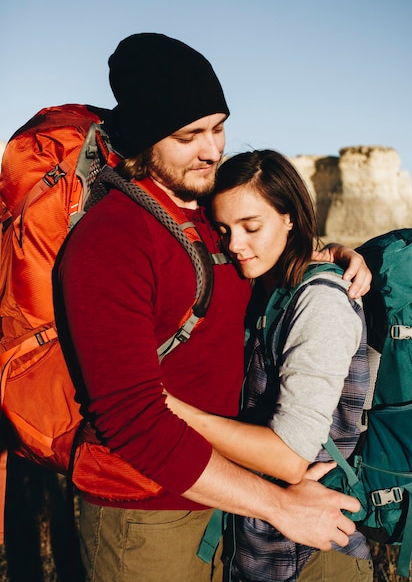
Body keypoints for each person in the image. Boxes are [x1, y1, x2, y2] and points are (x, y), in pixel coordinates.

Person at [54, 33, 371, 582]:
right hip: (145, 517)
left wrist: (331, 255)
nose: (212, 150)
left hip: (228, 500)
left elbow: (266, 253)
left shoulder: (210, 214)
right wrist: (278, 507)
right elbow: (132, 420)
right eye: (189, 135)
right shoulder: (112, 241)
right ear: (146, 138)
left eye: (218, 127)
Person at [165, 149, 374, 581]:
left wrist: (166, 408)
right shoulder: (272, 288)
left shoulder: (319, 302)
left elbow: (289, 458)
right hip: (271, 543)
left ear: (290, 217)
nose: (234, 244)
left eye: (251, 226)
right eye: (223, 229)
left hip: (320, 550)